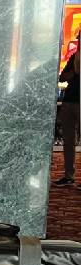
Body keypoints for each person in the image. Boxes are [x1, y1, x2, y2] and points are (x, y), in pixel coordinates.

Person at [53, 34, 79, 186]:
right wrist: (74, 72)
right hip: (69, 101)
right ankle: (69, 175)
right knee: (68, 141)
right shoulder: (74, 57)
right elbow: (62, 77)